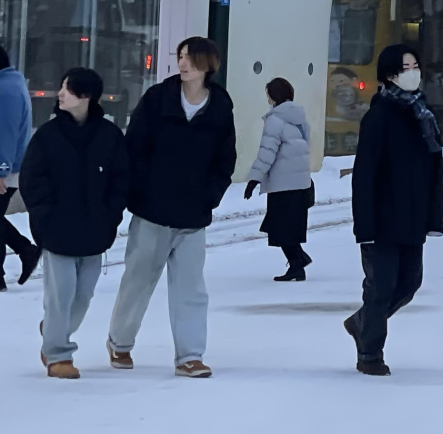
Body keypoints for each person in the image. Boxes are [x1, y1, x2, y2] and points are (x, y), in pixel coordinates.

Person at [106, 38, 236, 378]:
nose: (183, 64)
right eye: (180, 57)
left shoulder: (220, 105)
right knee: (138, 280)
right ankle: (119, 342)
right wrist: (140, 193)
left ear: (209, 63)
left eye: (190, 58)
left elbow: (225, 159)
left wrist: (211, 196)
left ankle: (190, 356)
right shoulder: (157, 99)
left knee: (191, 288)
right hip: (152, 211)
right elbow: (133, 149)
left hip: (193, 214)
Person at [18, 69, 128, 378]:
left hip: (96, 230)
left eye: (66, 89)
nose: (60, 94)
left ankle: (53, 329)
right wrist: (44, 215)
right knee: (61, 293)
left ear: (85, 96)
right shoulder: (48, 136)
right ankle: (57, 355)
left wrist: (111, 214)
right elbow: (32, 179)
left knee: (82, 297)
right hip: (56, 230)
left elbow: (122, 179)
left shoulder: (109, 135)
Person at [345, 43, 443, 376]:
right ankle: (370, 353)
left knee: (409, 284)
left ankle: (362, 323)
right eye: (406, 67)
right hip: (383, 220)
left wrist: (433, 217)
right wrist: (365, 227)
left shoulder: (423, 116)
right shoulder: (380, 116)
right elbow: (365, 174)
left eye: (416, 66)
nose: (413, 72)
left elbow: (433, 173)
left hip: (413, 219)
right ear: (390, 75)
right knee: (381, 287)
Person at [243, 78, 314, 281]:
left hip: (283, 184)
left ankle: (297, 263)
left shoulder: (275, 120)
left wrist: (254, 179)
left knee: (280, 227)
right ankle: (298, 261)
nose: (267, 97)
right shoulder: (301, 120)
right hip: (300, 183)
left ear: (274, 95)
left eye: (268, 93)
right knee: (286, 226)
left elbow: (267, 152)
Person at [0, 43, 40, 289]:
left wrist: (0, 170)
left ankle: (24, 251)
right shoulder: (11, 83)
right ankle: (25, 250)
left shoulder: (5, 90)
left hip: (8, 168)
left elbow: (5, 133)